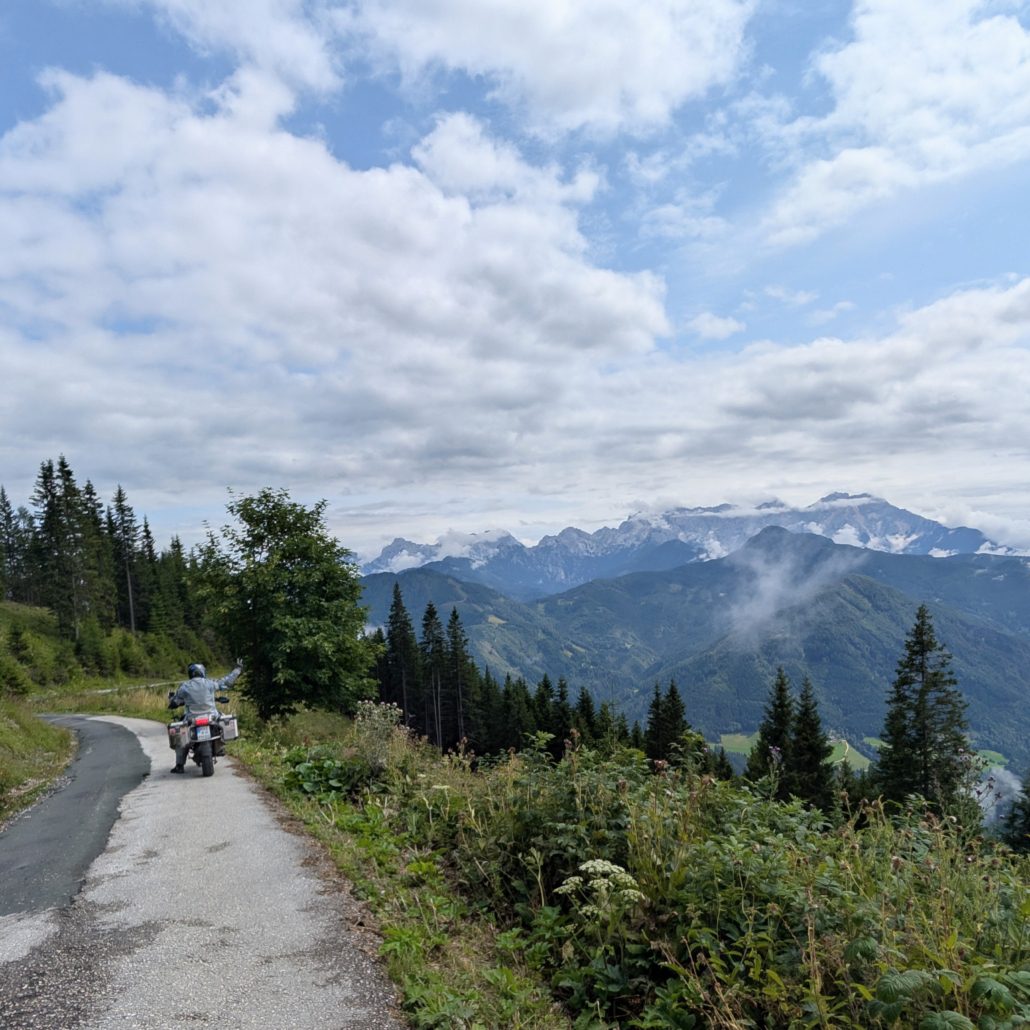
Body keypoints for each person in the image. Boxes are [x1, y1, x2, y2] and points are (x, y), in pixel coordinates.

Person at [168, 659, 243, 773]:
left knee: (181, 737)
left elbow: (175, 700)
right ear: (203, 672)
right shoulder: (210, 683)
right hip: (211, 717)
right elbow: (226, 682)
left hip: (191, 718)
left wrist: (172, 702)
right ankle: (221, 747)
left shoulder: (185, 686)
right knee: (223, 721)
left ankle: (179, 765)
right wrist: (237, 670)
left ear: (190, 673)